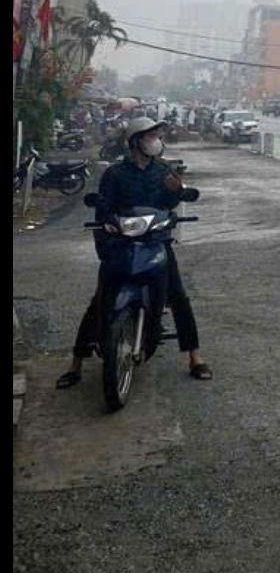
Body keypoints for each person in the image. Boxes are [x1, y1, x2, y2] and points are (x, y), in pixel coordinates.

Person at [55, 113, 212, 387]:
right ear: (136, 141)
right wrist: (106, 236)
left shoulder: (163, 170)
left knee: (178, 296)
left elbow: (169, 204)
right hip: (122, 242)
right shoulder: (115, 173)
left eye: (157, 136)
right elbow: (103, 209)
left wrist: (176, 191)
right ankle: (75, 363)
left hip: (156, 241)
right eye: (151, 136)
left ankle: (195, 357)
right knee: (100, 300)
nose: (156, 141)